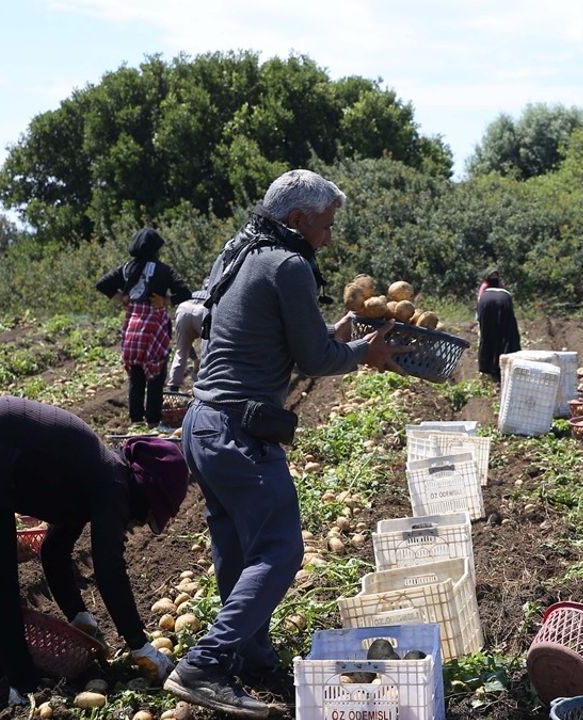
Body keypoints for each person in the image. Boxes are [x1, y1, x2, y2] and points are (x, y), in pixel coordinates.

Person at [166, 170, 408, 719]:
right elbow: (315, 360)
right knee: (280, 551)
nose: (328, 236)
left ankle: (250, 657)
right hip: (239, 435)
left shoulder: (246, 253)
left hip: (204, 425)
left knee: (238, 551)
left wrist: (343, 330)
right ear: (298, 220)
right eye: (325, 225)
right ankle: (206, 663)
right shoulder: (291, 264)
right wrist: (364, 355)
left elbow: (293, 340)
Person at [0, 397, 185, 706]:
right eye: (146, 517)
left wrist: (79, 617)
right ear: (145, 492)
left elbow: (54, 551)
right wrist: (140, 645)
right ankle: (23, 690)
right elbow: (109, 568)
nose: (137, 525)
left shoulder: (89, 471)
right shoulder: (113, 480)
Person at [97, 228, 194, 430]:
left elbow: (102, 284)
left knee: (137, 374)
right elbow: (185, 293)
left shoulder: (127, 269)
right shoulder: (163, 270)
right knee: (156, 376)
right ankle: (153, 421)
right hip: (153, 328)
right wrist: (166, 300)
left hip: (132, 327)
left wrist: (122, 298)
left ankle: (136, 421)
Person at [475, 269, 521, 381]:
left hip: (485, 301)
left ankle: (486, 368)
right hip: (504, 300)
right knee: (507, 335)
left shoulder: (483, 289)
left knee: (487, 335)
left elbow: (479, 305)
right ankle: (505, 365)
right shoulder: (504, 290)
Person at [167, 289, 210, 392]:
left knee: (181, 350)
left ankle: (173, 389)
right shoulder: (213, 293)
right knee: (208, 350)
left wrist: (195, 359)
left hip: (184, 308)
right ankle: (204, 387)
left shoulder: (195, 292)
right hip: (203, 309)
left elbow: (187, 343)